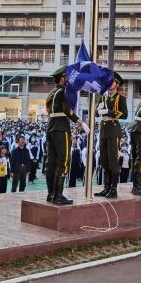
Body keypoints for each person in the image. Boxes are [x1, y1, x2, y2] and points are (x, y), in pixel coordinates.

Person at [45, 65, 89, 204]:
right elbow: (67, 109)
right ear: (63, 78)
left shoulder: (52, 92)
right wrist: (80, 121)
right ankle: (58, 195)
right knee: (63, 161)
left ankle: (51, 194)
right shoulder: (63, 91)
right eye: (67, 77)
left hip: (51, 126)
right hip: (61, 127)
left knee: (51, 162)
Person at [94, 71, 128, 198]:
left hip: (113, 129)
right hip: (103, 129)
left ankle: (113, 189)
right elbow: (96, 113)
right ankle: (106, 187)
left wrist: (109, 111)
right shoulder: (103, 97)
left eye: (112, 82)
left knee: (113, 160)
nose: (109, 83)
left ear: (117, 84)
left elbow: (124, 114)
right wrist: (98, 110)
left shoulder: (120, 98)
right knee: (104, 160)